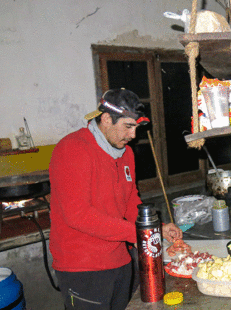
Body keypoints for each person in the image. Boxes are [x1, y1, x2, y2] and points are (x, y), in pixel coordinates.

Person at [49, 88, 182, 310]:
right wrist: (142, 234)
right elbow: (78, 215)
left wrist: (156, 227)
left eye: (136, 128)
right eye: (128, 126)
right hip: (82, 267)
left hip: (120, 260)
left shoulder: (125, 153)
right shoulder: (73, 149)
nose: (133, 135)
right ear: (106, 119)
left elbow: (131, 202)